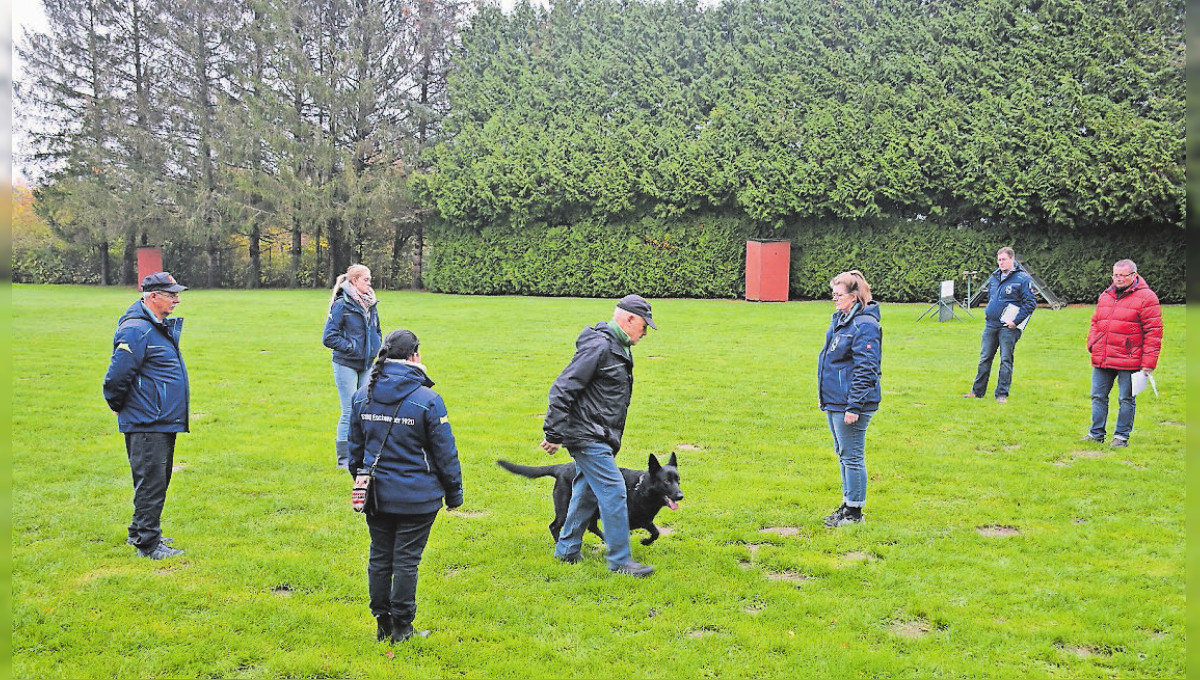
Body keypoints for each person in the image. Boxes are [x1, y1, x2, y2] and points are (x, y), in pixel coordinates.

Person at [349, 330, 463, 643]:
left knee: (380, 558)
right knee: (406, 562)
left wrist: (363, 483)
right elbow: (445, 455)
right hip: (418, 497)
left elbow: (354, 452)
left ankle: (383, 624)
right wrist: (455, 496)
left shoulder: (362, 395)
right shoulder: (428, 400)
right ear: (414, 356)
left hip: (378, 495)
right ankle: (401, 627)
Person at [541, 295, 657, 577]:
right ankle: (620, 561)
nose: (644, 332)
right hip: (587, 435)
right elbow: (563, 387)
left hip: (600, 434)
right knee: (615, 490)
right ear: (629, 319)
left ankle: (567, 550)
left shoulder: (617, 348)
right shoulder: (599, 346)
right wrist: (554, 432)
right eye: (643, 326)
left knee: (586, 491)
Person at [102, 272, 190, 560]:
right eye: (170, 294)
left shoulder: (155, 326)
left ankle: (140, 531)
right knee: (151, 482)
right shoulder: (136, 329)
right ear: (152, 296)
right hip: (147, 420)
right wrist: (121, 406)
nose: (177, 299)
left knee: (156, 480)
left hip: (160, 417)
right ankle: (148, 545)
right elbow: (116, 378)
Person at [818, 270, 882, 527]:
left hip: (851, 403)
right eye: (833, 293)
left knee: (852, 456)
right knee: (844, 454)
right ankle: (847, 505)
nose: (834, 298)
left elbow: (866, 368)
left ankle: (855, 513)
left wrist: (854, 405)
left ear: (854, 296)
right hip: (836, 401)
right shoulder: (842, 320)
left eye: (838, 294)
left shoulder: (864, 325)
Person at [1082, 259, 1163, 448]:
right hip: (1103, 355)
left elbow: (1154, 332)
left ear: (1134, 275)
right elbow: (1096, 321)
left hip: (1130, 358)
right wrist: (1092, 343)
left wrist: (1149, 363)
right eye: (1115, 275)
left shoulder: (1147, 298)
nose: (1117, 279)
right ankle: (1096, 434)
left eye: (1122, 275)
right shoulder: (1106, 295)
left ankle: (1121, 437)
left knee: (1126, 399)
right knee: (1098, 396)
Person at [324, 264, 382, 468]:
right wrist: (352, 348)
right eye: (366, 279)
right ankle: (343, 460)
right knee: (349, 410)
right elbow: (328, 337)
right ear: (355, 281)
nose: (369, 283)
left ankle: (363, 455)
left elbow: (377, 329)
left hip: (367, 364)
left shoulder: (371, 303)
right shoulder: (341, 304)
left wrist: (375, 347)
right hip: (346, 364)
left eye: (369, 279)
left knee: (365, 407)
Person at [963, 247, 1037, 403]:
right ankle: (977, 392)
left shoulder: (1023, 279)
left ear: (1012, 259)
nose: (1001, 262)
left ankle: (1001, 394)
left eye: (1004, 259)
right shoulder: (994, 277)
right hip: (991, 324)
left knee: (1005, 359)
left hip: (1008, 327)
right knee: (984, 358)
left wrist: (1015, 322)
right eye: (999, 260)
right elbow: (992, 297)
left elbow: (1030, 303)